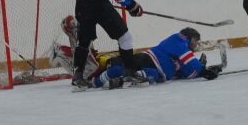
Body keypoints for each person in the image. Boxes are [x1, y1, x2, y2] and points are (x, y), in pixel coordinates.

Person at [92, 27, 222, 88]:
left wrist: (200, 69)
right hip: (149, 60)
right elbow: (191, 64)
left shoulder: (178, 43)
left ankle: (113, 81)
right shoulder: (180, 43)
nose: (196, 44)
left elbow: (186, 72)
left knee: (150, 75)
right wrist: (204, 71)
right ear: (189, 38)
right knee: (124, 68)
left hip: (153, 66)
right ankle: (97, 80)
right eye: (196, 40)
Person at [48, 15, 104, 81]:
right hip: (82, 58)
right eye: (72, 24)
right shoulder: (74, 33)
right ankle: (79, 76)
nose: (73, 25)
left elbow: (81, 49)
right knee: (92, 68)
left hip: (84, 58)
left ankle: (79, 75)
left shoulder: (76, 32)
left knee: (93, 67)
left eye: (73, 23)